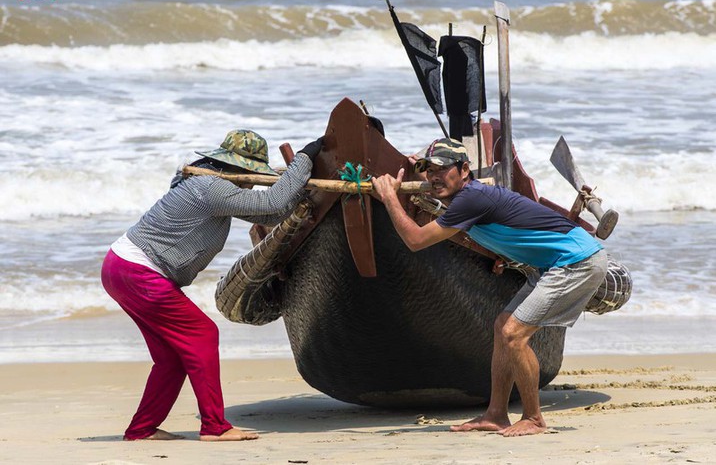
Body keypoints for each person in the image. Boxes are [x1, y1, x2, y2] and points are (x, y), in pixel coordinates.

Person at [371, 138, 607, 437]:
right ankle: (496, 414)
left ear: (465, 170)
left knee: (513, 335)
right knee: (502, 327)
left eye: (442, 170)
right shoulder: (464, 200)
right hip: (551, 265)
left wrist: (390, 197)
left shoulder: (471, 199)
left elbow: (416, 240)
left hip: (577, 261)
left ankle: (534, 419)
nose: (433, 177)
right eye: (428, 170)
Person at [101, 129, 323, 441]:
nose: (252, 181)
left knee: (171, 359)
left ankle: (142, 430)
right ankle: (215, 427)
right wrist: (306, 156)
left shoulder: (210, 189)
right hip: (139, 272)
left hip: (121, 267)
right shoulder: (211, 188)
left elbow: (273, 214)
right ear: (241, 169)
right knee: (203, 334)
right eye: (251, 174)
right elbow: (274, 199)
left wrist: (306, 199)